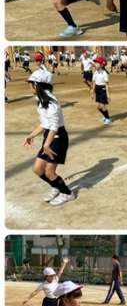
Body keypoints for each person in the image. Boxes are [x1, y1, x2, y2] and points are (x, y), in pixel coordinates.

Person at [24, 69, 76, 206]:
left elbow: (54, 125)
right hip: (50, 135)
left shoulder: (51, 102)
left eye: (31, 83)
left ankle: (67, 193)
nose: (29, 86)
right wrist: (32, 135)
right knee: (38, 169)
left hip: (58, 138)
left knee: (49, 171)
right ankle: (56, 186)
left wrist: (47, 144)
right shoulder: (41, 100)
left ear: (37, 85)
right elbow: (45, 124)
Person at [91, 56, 112, 124]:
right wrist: (92, 92)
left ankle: (108, 118)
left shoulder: (104, 73)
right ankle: (105, 116)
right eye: (95, 62)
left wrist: (108, 95)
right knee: (98, 107)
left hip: (103, 90)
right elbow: (94, 82)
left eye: (97, 63)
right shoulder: (95, 72)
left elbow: (106, 85)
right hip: (97, 90)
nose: (95, 64)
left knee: (102, 106)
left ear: (102, 65)